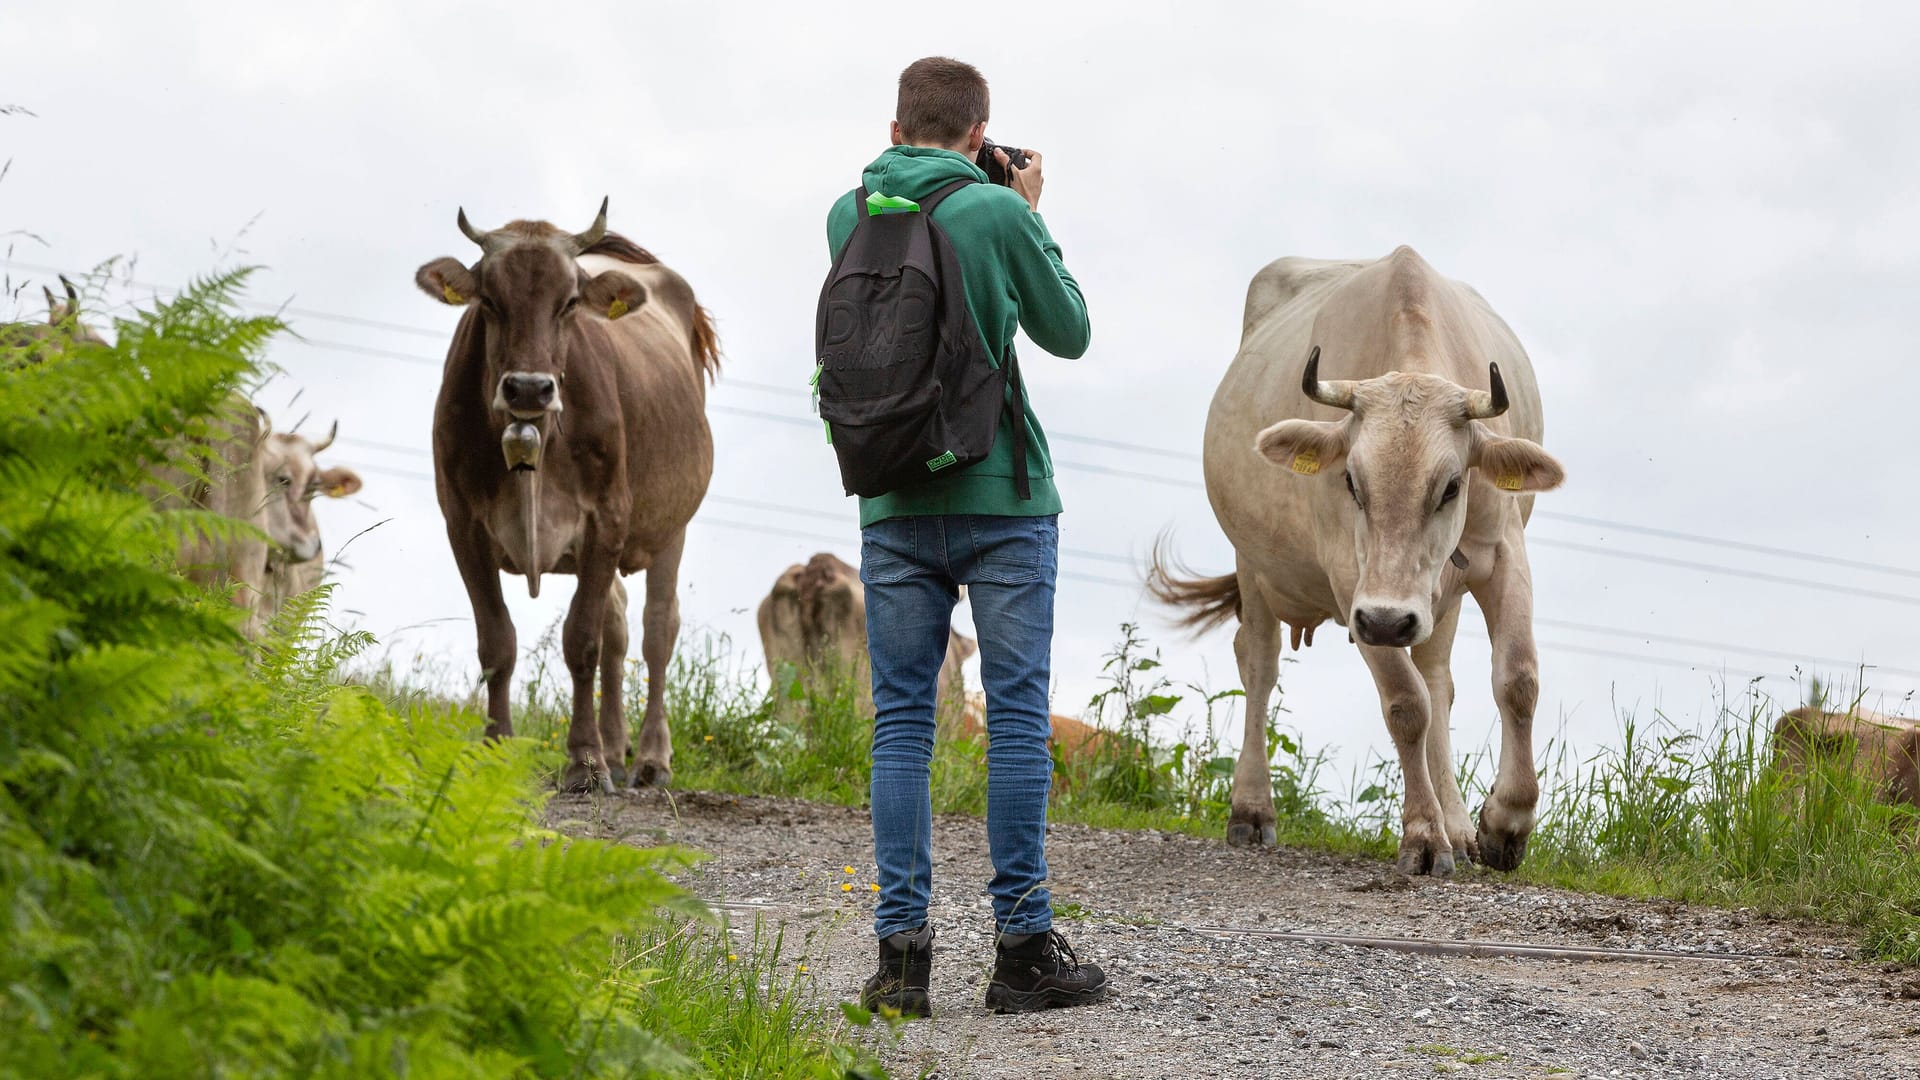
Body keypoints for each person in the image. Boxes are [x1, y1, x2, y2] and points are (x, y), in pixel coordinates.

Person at [823, 56, 1108, 1017]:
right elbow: (1068, 331)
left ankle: (901, 961)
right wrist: (1028, 207)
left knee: (901, 718)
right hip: (1002, 496)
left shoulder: (849, 214)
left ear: (897, 125)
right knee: (1016, 715)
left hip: (893, 500)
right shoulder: (997, 211)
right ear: (980, 135)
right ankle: (1023, 951)